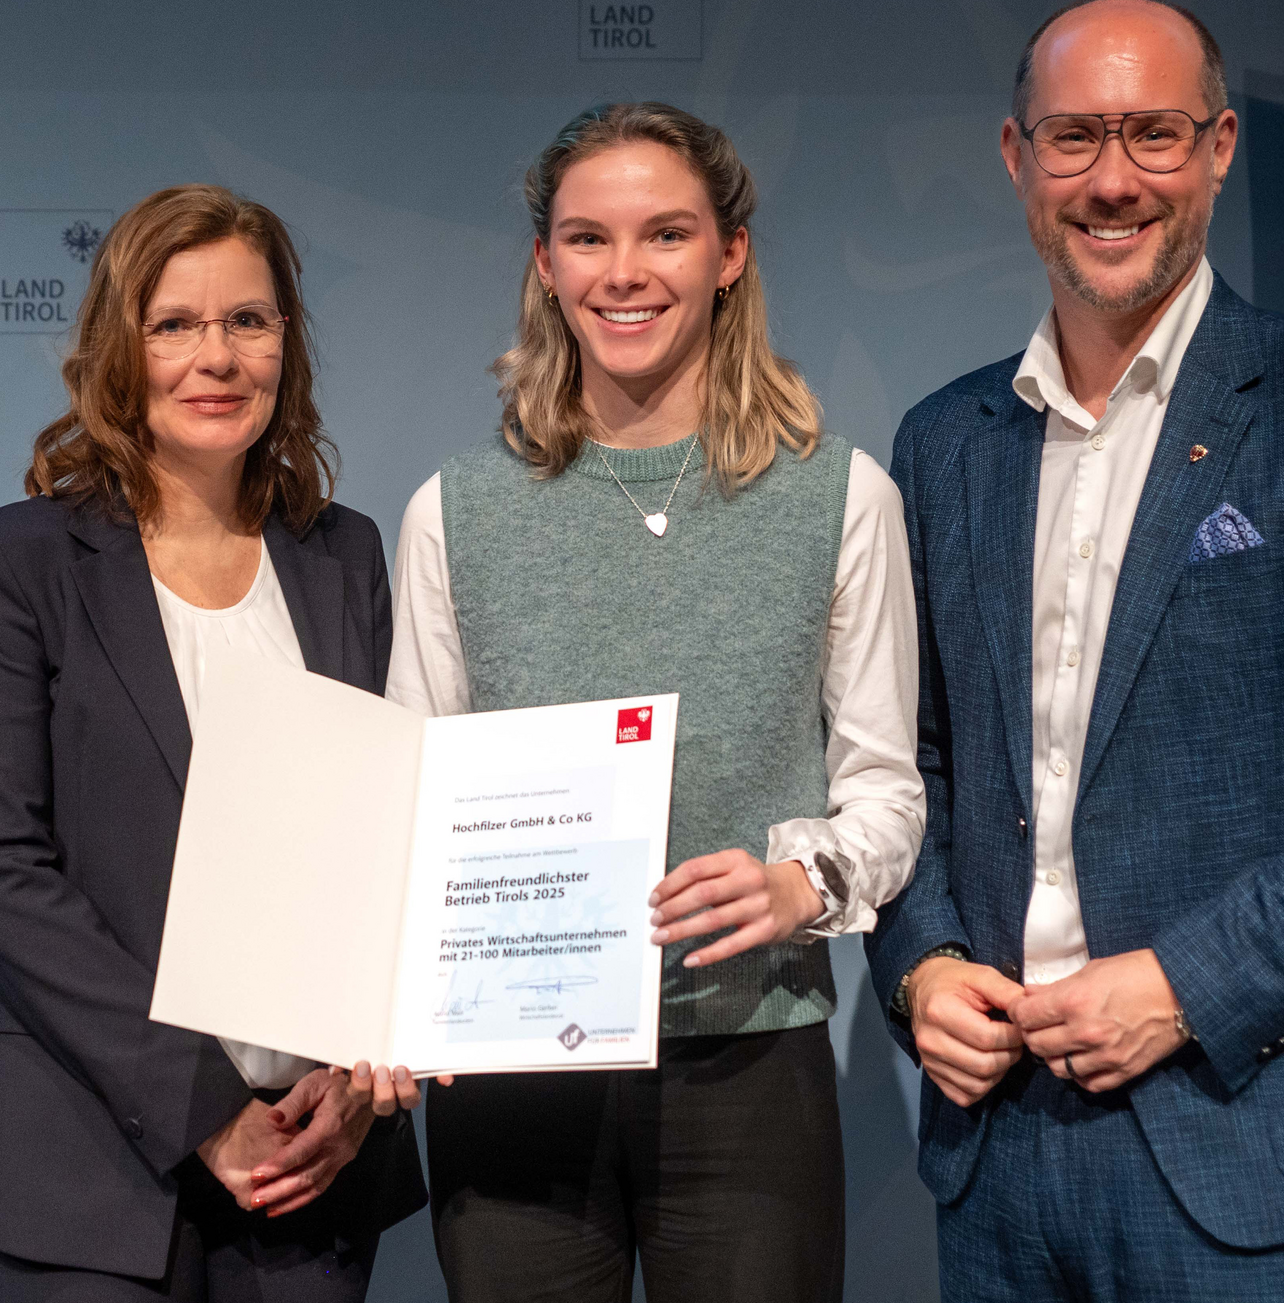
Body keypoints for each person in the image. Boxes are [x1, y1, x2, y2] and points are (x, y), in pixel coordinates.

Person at [867, 0, 1284, 1301]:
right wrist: (922, 960)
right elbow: (904, 761)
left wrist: (1184, 982)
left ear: (1220, 147)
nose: (1113, 180)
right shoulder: (945, 443)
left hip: (1253, 1153)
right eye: (1075, 138)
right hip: (998, 1165)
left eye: (1154, 135)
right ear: (1014, 155)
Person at [387, 102, 924, 1302]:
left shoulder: (841, 496)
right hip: (509, 1073)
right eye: (586, 238)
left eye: (664, 235)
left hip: (750, 1060)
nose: (622, 273)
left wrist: (799, 881)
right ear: (544, 264)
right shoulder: (453, 511)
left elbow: (884, 787)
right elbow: (415, 804)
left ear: (728, 255)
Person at [0, 183, 427, 1302]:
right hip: (81, 1165)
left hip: (312, 1162)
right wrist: (204, 1109)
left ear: (285, 345)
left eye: (247, 322)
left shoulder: (341, 554)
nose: (216, 356)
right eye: (175, 325)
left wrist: (356, 1080)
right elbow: (2, 872)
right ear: (120, 347)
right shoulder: (16, 563)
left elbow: (381, 842)